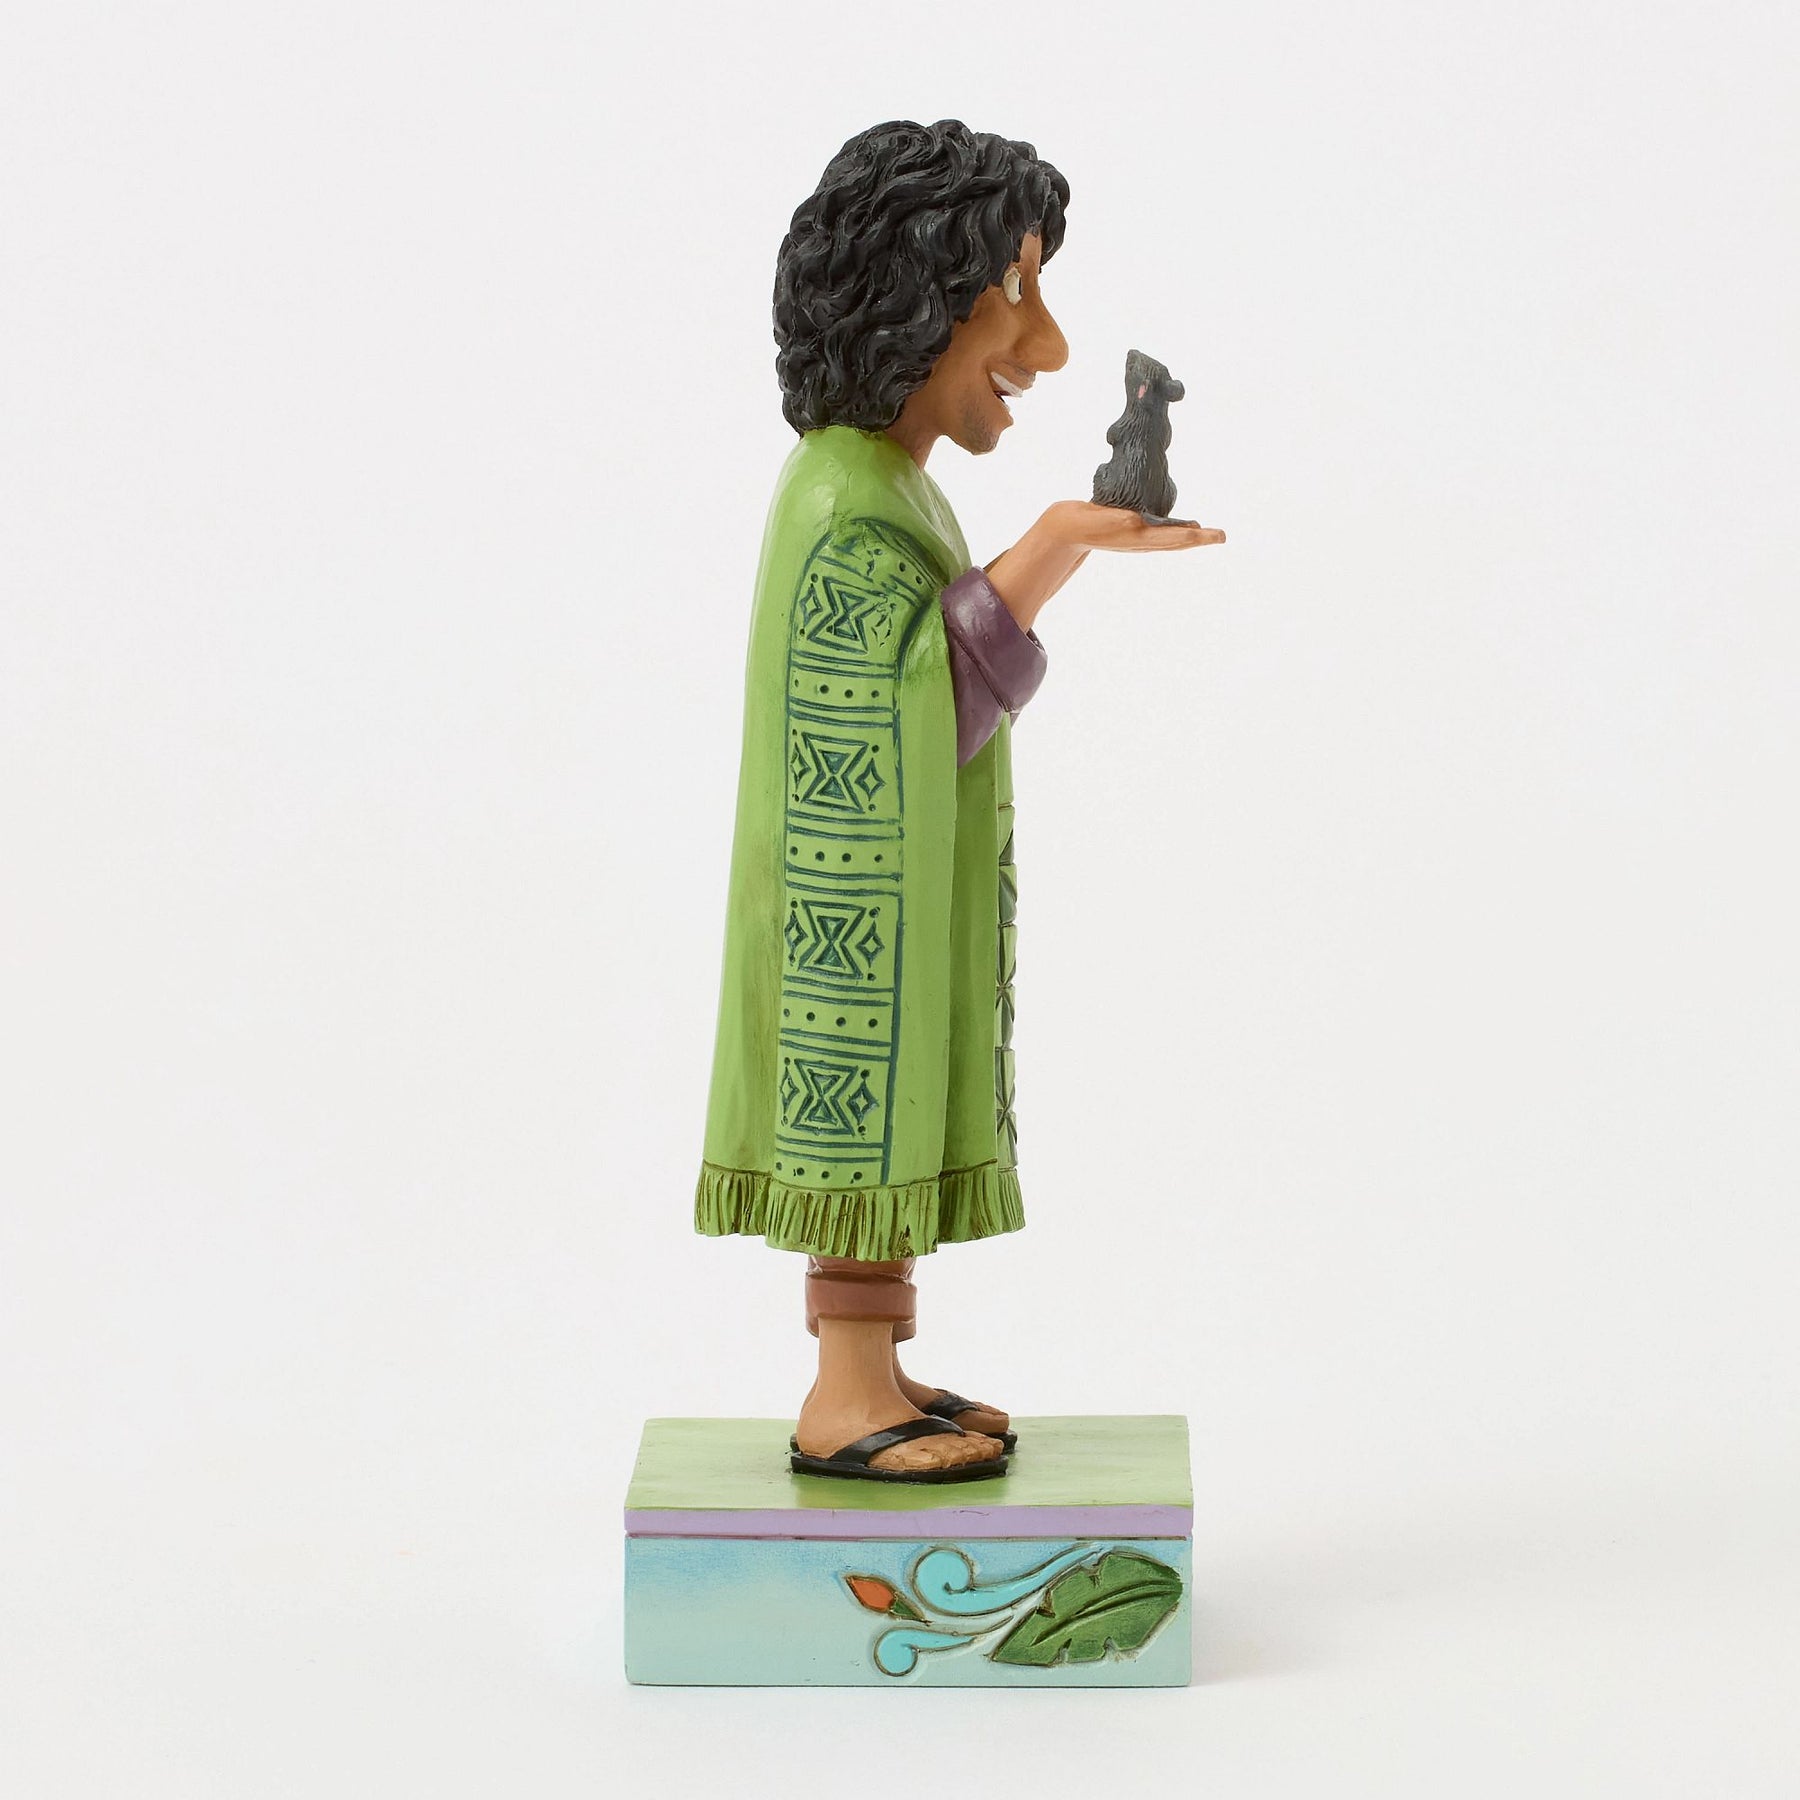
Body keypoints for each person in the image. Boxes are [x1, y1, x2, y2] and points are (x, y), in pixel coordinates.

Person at [695, 120, 1224, 1481]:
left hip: (894, 908)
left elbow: (935, 689)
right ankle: (843, 1396)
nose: (1045, 346)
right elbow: (902, 706)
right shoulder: (842, 499)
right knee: (855, 1114)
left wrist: (1055, 549)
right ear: (915, 298)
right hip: (840, 926)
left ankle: (873, 1372)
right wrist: (1053, 544)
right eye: (1013, 293)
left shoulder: (893, 486)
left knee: (895, 1106)